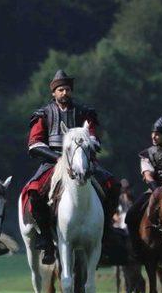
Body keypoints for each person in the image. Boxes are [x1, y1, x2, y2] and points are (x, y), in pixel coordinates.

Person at [20, 70, 117, 264]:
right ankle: (46, 241)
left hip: (82, 159)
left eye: (67, 89)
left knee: (112, 185)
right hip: (52, 162)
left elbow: (94, 139)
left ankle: (105, 234)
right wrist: (59, 158)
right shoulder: (44, 114)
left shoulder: (84, 113)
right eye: (60, 90)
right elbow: (34, 143)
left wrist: (86, 148)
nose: (64, 93)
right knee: (33, 192)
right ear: (53, 93)